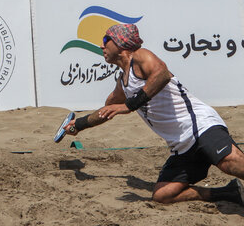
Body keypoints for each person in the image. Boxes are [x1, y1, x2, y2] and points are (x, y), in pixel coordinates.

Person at [63, 24, 244, 205]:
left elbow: (162, 74)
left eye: (105, 40)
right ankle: (230, 192)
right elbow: (106, 110)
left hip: (199, 124)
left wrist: (130, 105)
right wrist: (78, 125)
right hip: (181, 144)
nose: (102, 46)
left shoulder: (140, 56)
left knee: (229, 163)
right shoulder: (123, 83)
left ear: (120, 43)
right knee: (163, 195)